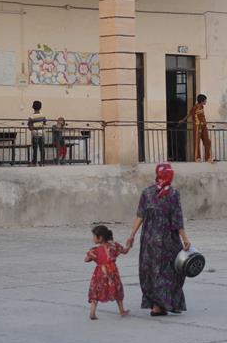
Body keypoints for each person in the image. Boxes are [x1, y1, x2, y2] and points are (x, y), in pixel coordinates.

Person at [126, 163, 192, 316]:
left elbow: (140, 216)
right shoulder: (173, 194)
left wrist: (132, 235)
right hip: (168, 240)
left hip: (149, 240)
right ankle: (164, 303)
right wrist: (184, 239)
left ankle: (158, 305)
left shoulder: (147, 192)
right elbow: (177, 220)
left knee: (152, 270)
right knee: (170, 271)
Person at [85, 224, 131, 320]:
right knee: (117, 288)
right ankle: (121, 310)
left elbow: (86, 259)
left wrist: (91, 257)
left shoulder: (95, 250)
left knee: (96, 290)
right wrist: (129, 245)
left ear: (100, 237)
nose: (93, 238)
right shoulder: (114, 245)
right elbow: (125, 251)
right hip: (112, 271)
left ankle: (92, 312)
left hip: (99, 272)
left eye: (94, 236)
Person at [180, 94, 214, 162]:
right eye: (205, 100)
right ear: (202, 101)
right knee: (197, 142)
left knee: (207, 141)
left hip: (204, 126)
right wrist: (183, 120)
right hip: (197, 126)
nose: (206, 102)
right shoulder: (195, 107)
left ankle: (208, 157)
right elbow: (189, 114)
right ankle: (197, 157)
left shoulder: (202, 107)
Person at [28, 100, 47, 166]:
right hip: (41, 133)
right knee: (42, 149)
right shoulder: (43, 115)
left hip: (34, 133)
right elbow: (44, 123)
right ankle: (42, 162)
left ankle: (34, 162)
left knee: (35, 149)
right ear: (40, 107)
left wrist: (33, 128)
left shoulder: (31, 116)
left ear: (33, 107)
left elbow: (30, 126)